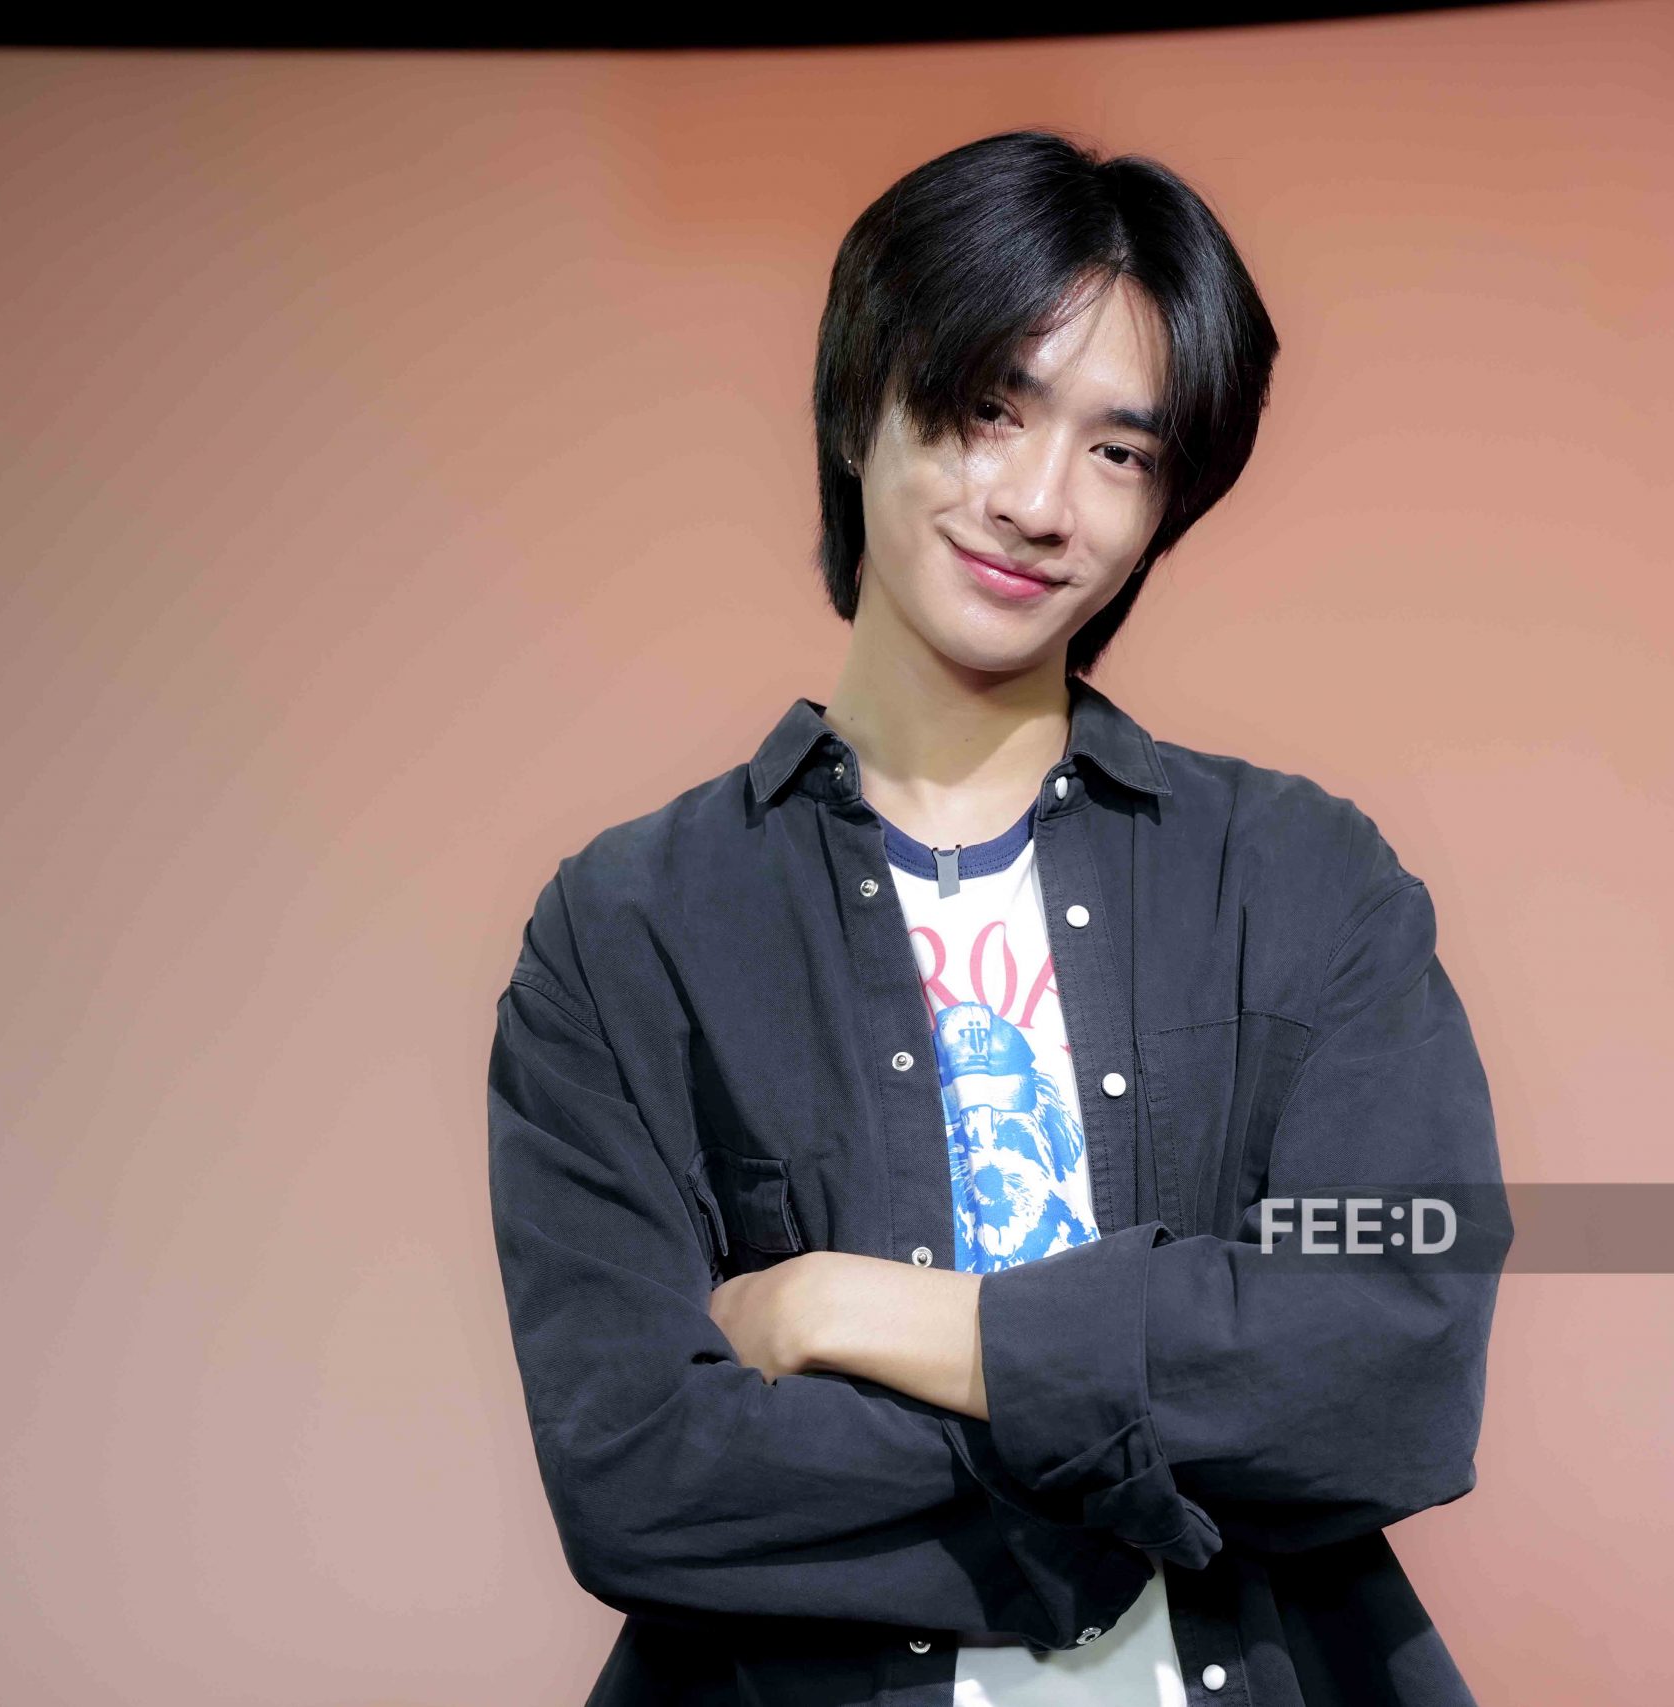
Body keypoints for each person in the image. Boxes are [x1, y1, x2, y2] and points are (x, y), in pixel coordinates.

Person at [487, 129, 1510, 1707]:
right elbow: (642, 1474)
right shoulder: (631, 930)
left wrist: (856, 1308)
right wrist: (1150, 1470)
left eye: (1122, 453)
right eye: (990, 410)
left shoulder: (1305, 880)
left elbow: (1393, 1367)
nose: (1039, 503)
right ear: (859, 404)